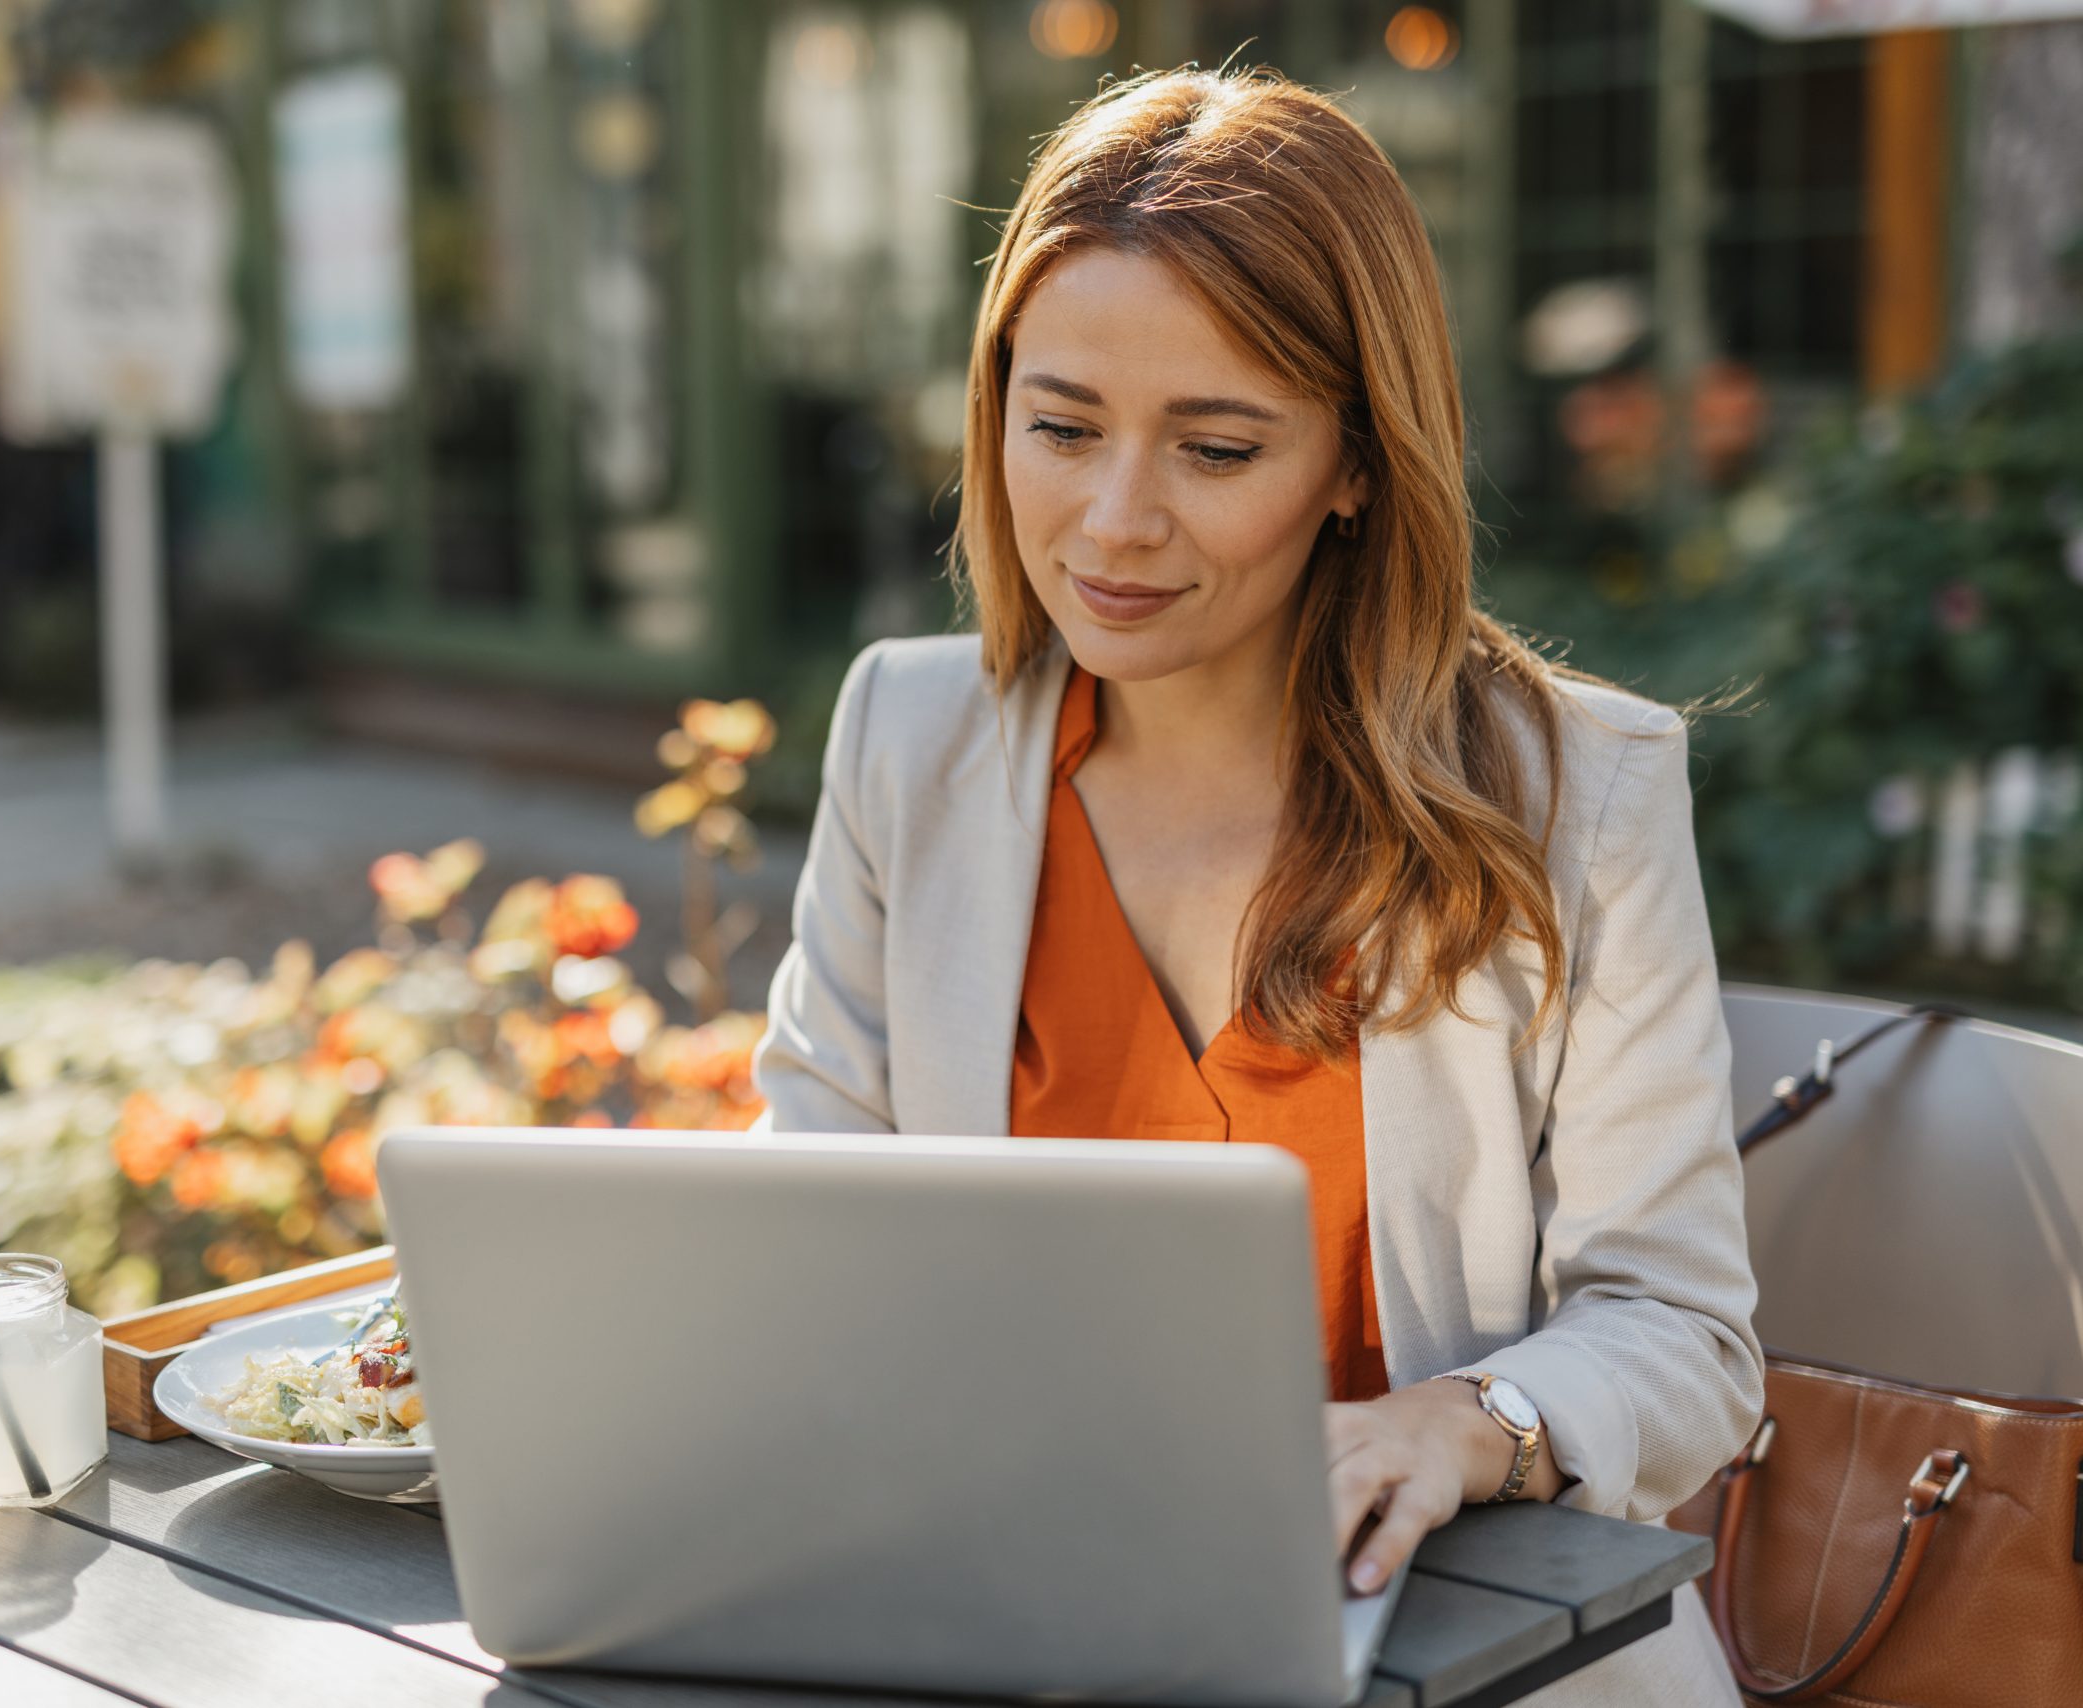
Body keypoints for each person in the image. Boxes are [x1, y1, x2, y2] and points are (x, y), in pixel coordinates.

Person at [751, 67, 1762, 1706]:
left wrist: (1467, 1426)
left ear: (1359, 464)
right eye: (1060, 428)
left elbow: (1687, 1336)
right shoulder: (906, 740)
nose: (1114, 523)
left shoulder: (1579, 795)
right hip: (1007, 1619)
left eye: (1216, 449)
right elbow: (804, 1223)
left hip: (1443, 1650)